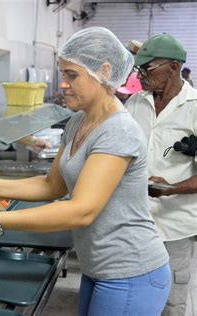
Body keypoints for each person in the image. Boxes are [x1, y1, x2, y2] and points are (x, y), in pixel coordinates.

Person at [0, 27, 171, 316]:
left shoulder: (118, 130)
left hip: (130, 270)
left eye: (72, 75)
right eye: (63, 74)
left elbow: (81, 210)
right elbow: (50, 185)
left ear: (104, 71)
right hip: (99, 266)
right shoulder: (78, 122)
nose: (63, 85)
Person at [125, 33, 197, 316]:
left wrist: (172, 188)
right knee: (134, 292)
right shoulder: (134, 104)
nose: (140, 75)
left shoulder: (194, 108)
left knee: (171, 299)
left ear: (173, 67)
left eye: (147, 68)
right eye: (138, 68)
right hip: (133, 220)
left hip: (173, 223)